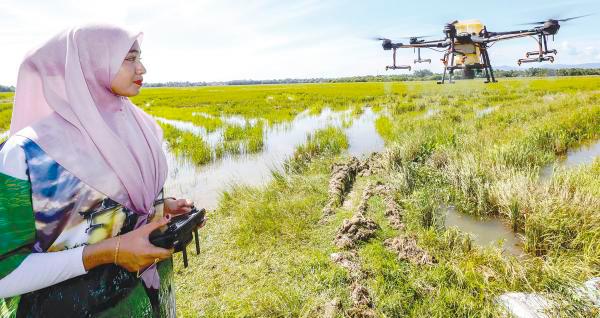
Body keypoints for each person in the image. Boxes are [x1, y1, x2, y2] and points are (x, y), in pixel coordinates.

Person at [0, 24, 197, 317]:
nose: (141, 67)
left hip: (151, 296)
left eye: (139, 57)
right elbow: (6, 273)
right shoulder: (26, 153)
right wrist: (110, 252)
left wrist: (160, 208)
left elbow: (102, 209)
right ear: (88, 65)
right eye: (129, 58)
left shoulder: (138, 127)